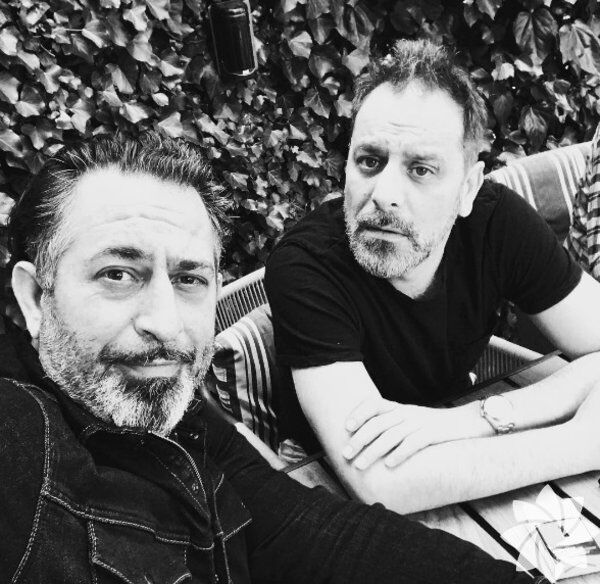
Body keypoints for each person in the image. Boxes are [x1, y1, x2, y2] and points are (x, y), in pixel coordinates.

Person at [0, 132, 534, 583]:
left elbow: (303, 527)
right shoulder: (20, 442)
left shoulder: (175, 413)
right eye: (117, 274)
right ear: (34, 298)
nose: (165, 322)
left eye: (189, 279)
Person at [265, 39, 600, 514]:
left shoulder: (497, 224)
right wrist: (583, 443)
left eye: (420, 169)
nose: (383, 194)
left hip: (456, 424)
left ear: (467, 189)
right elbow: (382, 482)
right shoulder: (306, 265)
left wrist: (477, 418)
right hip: (324, 477)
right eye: (369, 161)